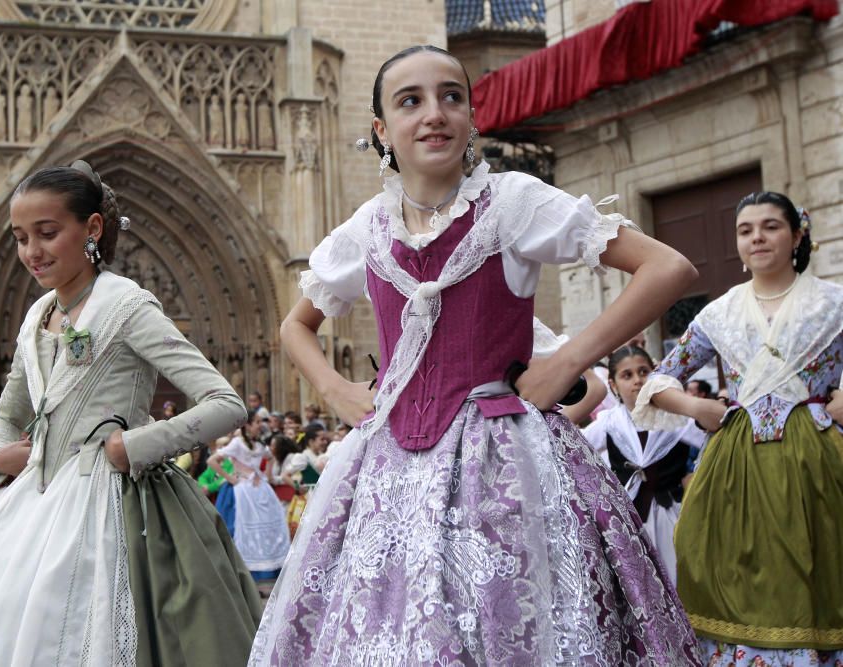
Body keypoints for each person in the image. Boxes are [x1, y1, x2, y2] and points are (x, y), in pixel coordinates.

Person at [250, 45, 700, 665]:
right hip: (389, 471)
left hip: (507, 463)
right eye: (410, 101)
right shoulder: (365, 229)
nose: (434, 113)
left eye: (451, 97)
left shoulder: (512, 203)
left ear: (470, 119)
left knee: (504, 625)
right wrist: (338, 390)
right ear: (382, 129)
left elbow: (666, 267)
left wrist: (568, 362)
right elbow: (296, 326)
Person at [0, 161, 262, 666]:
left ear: (91, 229)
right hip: (34, 504)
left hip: (117, 504)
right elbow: (8, 409)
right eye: (20, 237)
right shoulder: (36, 316)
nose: (32, 251)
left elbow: (225, 403)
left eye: (47, 234)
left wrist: (133, 444)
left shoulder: (129, 307)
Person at [632, 193, 843, 665]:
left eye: (770, 226)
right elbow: (661, 378)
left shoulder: (834, 304)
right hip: (736, 465)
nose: (757, 238)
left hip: (816, 462)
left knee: (821, 568)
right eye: (746, 230)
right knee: (732, 570)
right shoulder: (720, 314)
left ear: (796, 236)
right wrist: (695, 408)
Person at [581, 345, 704, 584]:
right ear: (614, 385)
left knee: (679, 577)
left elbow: (711, 446)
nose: (637, 381)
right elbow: (576, 446)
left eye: (643, 372)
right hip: (629, 518)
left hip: (673, 515)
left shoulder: (675, 417)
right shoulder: (610, 423)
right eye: (627, 375)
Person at [208, 410, 291, 579]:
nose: (261, 425)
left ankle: (268, 568)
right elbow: (212, 461)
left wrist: (267, 476)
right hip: (242, 490)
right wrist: (230, 478)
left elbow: (270, 457)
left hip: (260, 488)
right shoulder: (238, 443)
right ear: (248, 425)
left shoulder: (260, 444)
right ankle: (242, 572)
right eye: (257, 422)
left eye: (261, 422)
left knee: (270, 524)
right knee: (239, 527)